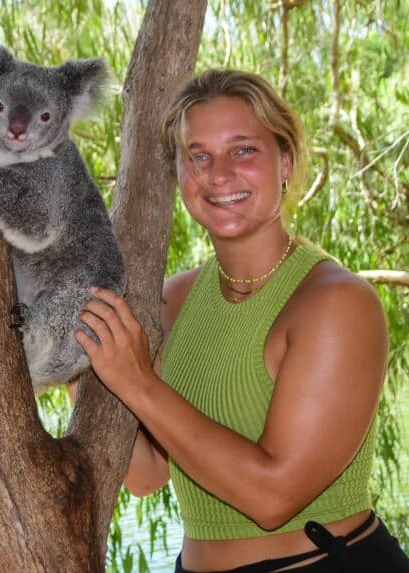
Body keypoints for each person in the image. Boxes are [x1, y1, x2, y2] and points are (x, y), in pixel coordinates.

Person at [74, 69, 409, 572]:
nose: (219, 173)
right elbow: (147, 474)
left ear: (286, 162)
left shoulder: (336, 303)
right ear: (180, 175)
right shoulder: (174, 299)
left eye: (244, 150)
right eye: (198, 156)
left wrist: (138, 381)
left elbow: (273, 498)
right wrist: (73, 352)